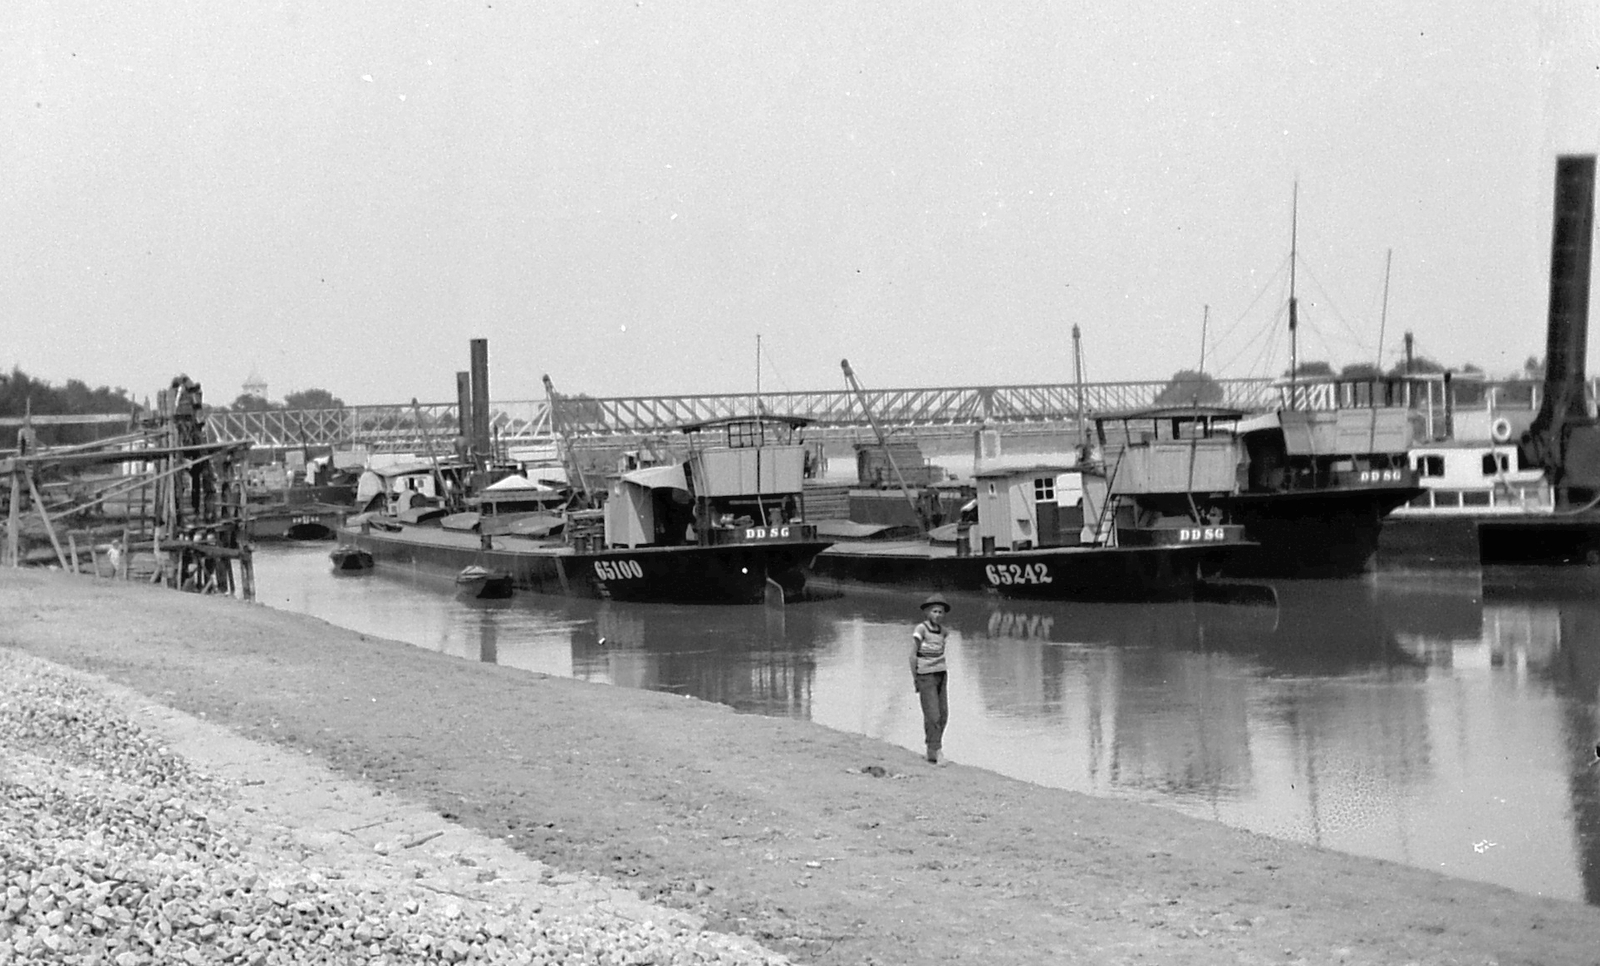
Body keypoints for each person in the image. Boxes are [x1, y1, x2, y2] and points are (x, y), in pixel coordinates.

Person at [910, 593, 951, 764]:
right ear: (927, 612)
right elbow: (913, 655)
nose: (938, 615)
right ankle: (937, 750)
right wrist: (916, 678)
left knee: (943, 714)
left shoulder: (944, 632)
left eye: (941, 612)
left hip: (941, 674)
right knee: (932, 714)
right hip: (925, 675)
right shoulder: (921, 630)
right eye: (934, 611)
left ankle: (931, 749)